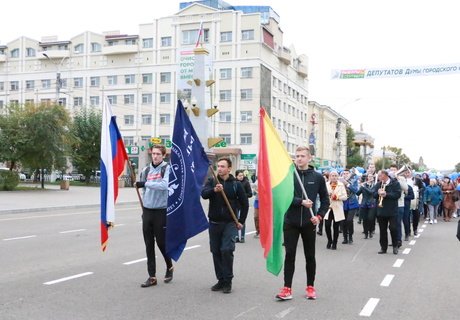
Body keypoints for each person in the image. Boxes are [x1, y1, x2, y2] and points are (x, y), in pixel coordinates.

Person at [275, 146, 329, 301]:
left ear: (309, 158)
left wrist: (319, 216)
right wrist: (300, 202)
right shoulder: (289, 176)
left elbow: (325, 200)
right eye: (297, 156)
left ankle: (310, 287)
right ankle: (287, 288)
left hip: (309, 222)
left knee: (310, 256)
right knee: (290, 255)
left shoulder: (318, 177)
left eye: (302, 156)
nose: (299, 158)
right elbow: (282, 198)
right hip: (290, 222)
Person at [201, 158, 249, 294]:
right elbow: (204, 194)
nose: (220, 168)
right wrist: (214, 191)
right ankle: (220, 279)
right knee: (216, 251)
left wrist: (241, 221)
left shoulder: (236, 184)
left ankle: (228, 281)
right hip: (214, 223)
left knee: (227, 250)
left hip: (230, 223)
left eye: (223, 166)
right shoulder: (212, 181)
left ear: (229, 168)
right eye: (218, 166)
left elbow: (244, 204)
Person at [136, 145, 173, 288]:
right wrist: (145, 206)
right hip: (148, 211)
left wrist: (145, 183)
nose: (155, 156)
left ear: (163, 155)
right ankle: (152, 276)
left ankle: (169, 265)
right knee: (148, 244)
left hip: (161, 211)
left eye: (158, 154)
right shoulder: (146, 170)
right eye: (153, 154)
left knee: (161, 243)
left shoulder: (166, 169)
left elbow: (164, 185)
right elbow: (145, 190)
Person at [374, 169, 401, 255]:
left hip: (392, 210)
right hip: (381, 210)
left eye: (380, 176)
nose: (379, 177)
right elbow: (373, 195)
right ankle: (383, 248)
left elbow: (397, 195)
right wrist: (377, 193)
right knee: (382, 230)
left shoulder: (395, 183)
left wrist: (386, 194)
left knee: (393, 228)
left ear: (385, 175)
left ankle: (395, 246)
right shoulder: (378, 184)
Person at [324, 170, 347, 249]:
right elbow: (322, 195)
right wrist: (328, 195)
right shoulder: (326, 184)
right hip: (328, 208)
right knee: (327, 225)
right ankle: (329, 240)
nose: (334, 177)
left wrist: (337, 197)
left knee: (336, 227)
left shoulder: (341, 185)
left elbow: (345, 197)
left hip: (337, 208)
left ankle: (335, 243)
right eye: (332, 176)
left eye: (335, 176)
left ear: (337, 177)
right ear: (329, 177)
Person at [356, 173, 377, 239]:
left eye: (371, 177)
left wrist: (363, 187)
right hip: (364, 204)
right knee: (364, 219)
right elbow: (358, 193)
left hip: (372, 204)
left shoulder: (375, 185)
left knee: (370, 219)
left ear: (373, 178)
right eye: (369, 177)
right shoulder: (364, 185)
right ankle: (365, 233)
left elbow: (371, 192)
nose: (370, 178)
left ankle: (370, 231)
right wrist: (359, 187)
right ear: (367, 178)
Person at [235, 169, 253, 243]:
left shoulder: (246, 183)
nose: (241, 177)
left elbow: (250, 194)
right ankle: (236, 236)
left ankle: (242, 236)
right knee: (235, 220)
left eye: (242, 175)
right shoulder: (234, 182)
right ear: (236, 176)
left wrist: (242, 195)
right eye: (239, 176)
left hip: (243, 204)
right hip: (236, 204)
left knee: (242, 220)